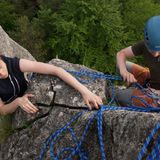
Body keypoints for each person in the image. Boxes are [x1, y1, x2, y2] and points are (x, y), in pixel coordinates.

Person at [0, 55, 103, 115]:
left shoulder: (13, 64)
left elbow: (55, 70)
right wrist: (17, 102)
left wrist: (85, 92)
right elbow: (2, 110)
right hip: (12, 105)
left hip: (25, 91)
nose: (1, 74)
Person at [114, 15, 160, 107]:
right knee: (121, 65)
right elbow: (121, 54)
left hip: (156, 95)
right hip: (152, 80)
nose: (155, 54)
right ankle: (144, 77)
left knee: (116, 95)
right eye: (151, 50)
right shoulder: (144, 45)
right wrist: (124, 72)